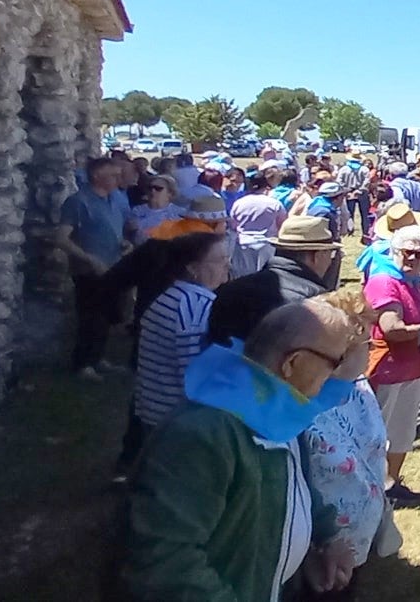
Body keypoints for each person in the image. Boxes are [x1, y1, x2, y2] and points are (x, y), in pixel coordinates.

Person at [124, 300, 361, 602]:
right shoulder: (201, 434)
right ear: (293, 363)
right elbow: (164, 561)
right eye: (336, 362)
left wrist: (320, 542)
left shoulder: (276, 409)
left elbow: (290, 489)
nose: (339, 375)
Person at [297, 291, 397, 602]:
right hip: (318, 553)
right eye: (366, 342)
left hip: (358, 541)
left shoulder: (359, 387)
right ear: (341, 351)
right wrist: (318, 545)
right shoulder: (303, 401)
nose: (370, 349)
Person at [131, 233, 230, 448]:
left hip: (151, 410)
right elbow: (195, 375)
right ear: (192, 268)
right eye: (220, 260)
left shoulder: (168, 295)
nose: (227, 265)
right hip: (177, 420)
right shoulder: (198, 308)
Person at [366, 224, 420, 503]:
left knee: (403, 433)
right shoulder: (385, 281)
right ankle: (372, 486)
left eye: (419, 255)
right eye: (407, 252)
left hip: (410, 368)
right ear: (395, 251)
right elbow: (392, 328)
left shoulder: (411, 282)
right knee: (378, 433)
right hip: (386, 368)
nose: (412, 259)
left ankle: (391, 485)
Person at [207, 215, 341, 347]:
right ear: (316, 256)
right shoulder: (316, 302)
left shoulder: (229, 290)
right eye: (331, 254)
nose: (330, 261)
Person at [59, 155, 132, 379]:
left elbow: (116, 230)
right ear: (97, 176)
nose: (118, 179)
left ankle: (97, 358)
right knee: (91, 316)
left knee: (107, 316)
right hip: (89, 271)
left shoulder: (115, 199)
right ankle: (82, 364)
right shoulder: (78, 201)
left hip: (113, 267)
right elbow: (61, 238)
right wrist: (88, 258)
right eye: (113, 175)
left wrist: (125, 243)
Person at [229, 172, 287, 279]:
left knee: (240, 279)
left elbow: (233, 225)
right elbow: (282, 226)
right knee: (264, 279)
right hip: (266, 245)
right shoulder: (274, 203)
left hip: (242, 244)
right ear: (266, 186)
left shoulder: (239, 203)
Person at [130, 174, 185, 243]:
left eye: (158, 188)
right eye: (150, 188)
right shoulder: (137, 211)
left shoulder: (180, 213)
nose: (153, 191)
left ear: (170, 193)